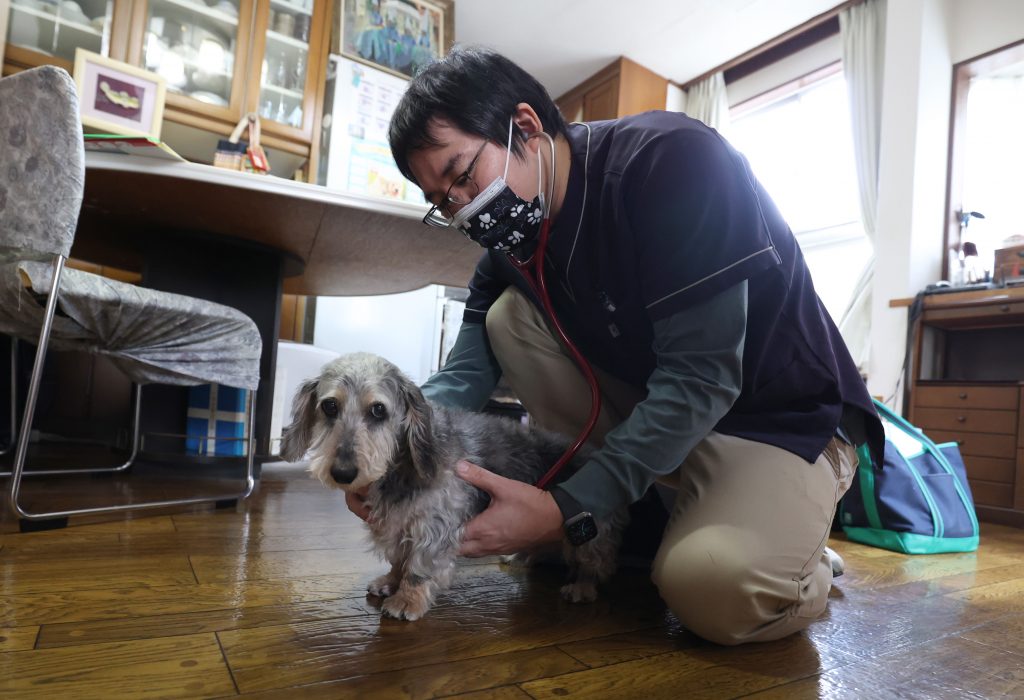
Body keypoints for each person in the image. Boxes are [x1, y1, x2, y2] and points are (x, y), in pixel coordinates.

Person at [352, 46, 884, 646]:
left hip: (778, 422)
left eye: (461, 175)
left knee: (717, 591)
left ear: (525, 127)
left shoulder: (673, 163)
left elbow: (702, 379)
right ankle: (660, 514)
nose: (462, 209)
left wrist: (567, 509)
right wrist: (394, 444)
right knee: (508, 318)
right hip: (668, 420)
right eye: (441, 201)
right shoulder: (511, 249)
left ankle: (793, 559)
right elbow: (464, 373)